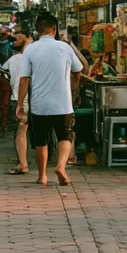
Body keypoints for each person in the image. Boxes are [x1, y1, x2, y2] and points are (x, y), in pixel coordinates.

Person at [17, 11, 80, 186]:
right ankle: (61, 166)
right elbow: (79, 69)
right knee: (65, 136)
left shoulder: (30, 49)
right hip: (63, 104)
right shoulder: (65, 48)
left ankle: (42, 176)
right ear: (54, 30)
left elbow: (24, 79)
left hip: (39, 105)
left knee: (41, 141)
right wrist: (74, 87)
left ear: (38, 31)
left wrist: (20, 103)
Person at [2, 38, 31, 175]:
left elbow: (3, 73)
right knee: (24, 132)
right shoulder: (30, 59)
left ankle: (23, 163)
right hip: (30, 99)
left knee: (21, 132)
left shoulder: (13, 59)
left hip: (19, 98)